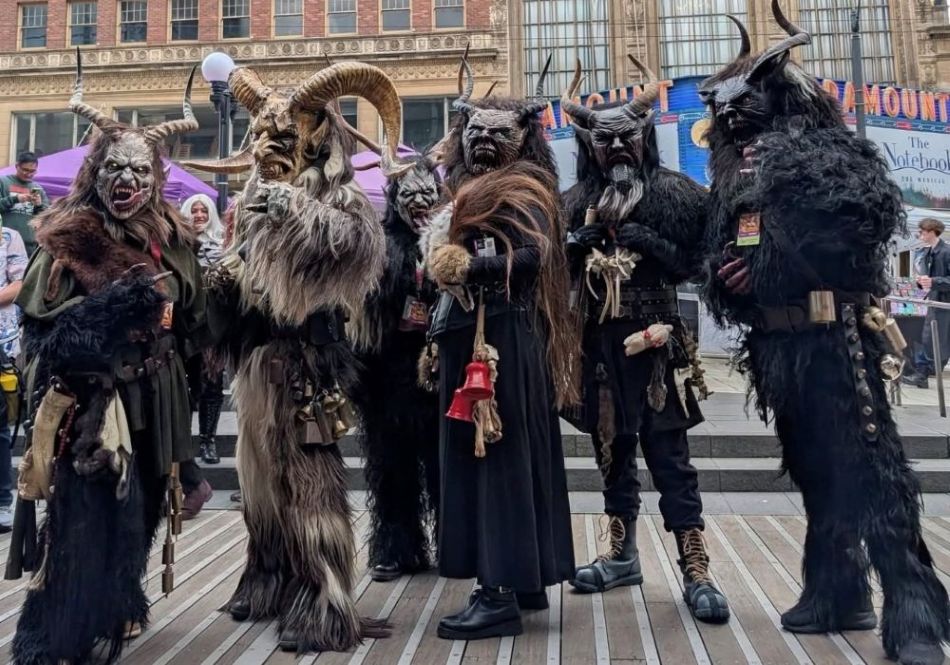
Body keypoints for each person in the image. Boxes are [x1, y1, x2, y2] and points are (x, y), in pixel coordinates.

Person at [701, 5, 949, 664]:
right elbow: (720, 256)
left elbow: (860, 220)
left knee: (871, 466)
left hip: (836, 335)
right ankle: (836, 589)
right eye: (726, 118)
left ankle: (915, 603)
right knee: (813, 469)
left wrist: (768, 245)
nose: (733, 125)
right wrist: (730, 276)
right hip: (778, 348)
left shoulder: (827, 152)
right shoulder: (734, 180)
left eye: (744, 111)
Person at [195, 61, 402, 653]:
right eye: (260, 136)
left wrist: (296, 211)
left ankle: (324, 600)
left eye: (283, 138)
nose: (267, 149)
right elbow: (244, 285)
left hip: (309, 367)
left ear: (316, 137)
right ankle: (269, 580)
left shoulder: (341, 199)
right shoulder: (254, 202)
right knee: (259, 482)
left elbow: (361, 250)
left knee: (311, 482)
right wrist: (224, 279)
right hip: (260, 367)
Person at [8, 60, 206, 665]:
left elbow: (197, 314)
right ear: (97, 175)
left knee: (141, 511)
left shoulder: (169, 237)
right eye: (115, 169)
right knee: (82, 524)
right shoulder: (70, 236)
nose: (127, 182)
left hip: (157, 397)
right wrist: (122, 303)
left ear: (155, 176)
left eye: (139, 171)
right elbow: (43, 328)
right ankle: (53, 634)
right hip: (95, 406)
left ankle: (118, 605)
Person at [560, 57, 729, 623]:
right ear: (591, 146)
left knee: (670, 456)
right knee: (612, 453)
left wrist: (650, 240)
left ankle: (695, 567)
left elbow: (704, 264)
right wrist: (572, 243)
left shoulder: (675, 194)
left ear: (643, 137)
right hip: (599, 348)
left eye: (627, 137)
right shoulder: (575, 198)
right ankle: (622, 553)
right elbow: (553, 275)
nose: (617, 149)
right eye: (604, 141)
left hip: (657, 345)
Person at [425, 58, 578, 641]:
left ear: (523, 140)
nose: (483, 140)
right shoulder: (466, 187)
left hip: (501, 341)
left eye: (498, 132)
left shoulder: (526, 188)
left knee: (497, 457)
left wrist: (472, 265)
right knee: (501, 455)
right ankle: (525, 576)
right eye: (475, 131)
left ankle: (497, 592)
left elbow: (536, 259)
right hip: (480, 333)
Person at [350, 153, 443, 582]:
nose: (422, 204)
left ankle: (454, 544)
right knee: (392, 470)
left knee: (445, 469)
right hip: (390, 378)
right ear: (397, 200)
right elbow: (365, 312)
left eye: (429, 195)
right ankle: (395, 548)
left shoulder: (449, 240)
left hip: (440, 377)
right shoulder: (382, 247)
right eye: (412, 196)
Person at [0, 224, 28, 534]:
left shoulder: (9, 236)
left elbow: (19, 285)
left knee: (0, 430)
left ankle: (2, 502)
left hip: (1, 344)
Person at [902, 218, 950, 389]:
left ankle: (922, 374)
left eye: (922, 231)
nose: (920, 234)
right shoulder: (928, 253)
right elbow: (929, 280)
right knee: (929, 338)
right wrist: (922, 282)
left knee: (934, 339)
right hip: (935, 302)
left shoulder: (946, 252)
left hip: (943, 305)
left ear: (931, 231)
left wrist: (933, 281)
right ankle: (922, 374)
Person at [0, 152, 49, 256]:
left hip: (29, 245)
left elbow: (46, 219)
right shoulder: (3, 182)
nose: (28, 174)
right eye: (25, 170)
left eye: (33, 171)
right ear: (17, 166)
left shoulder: (38, 189)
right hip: (4, 242)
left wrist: (38, 205)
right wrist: (15, 199)